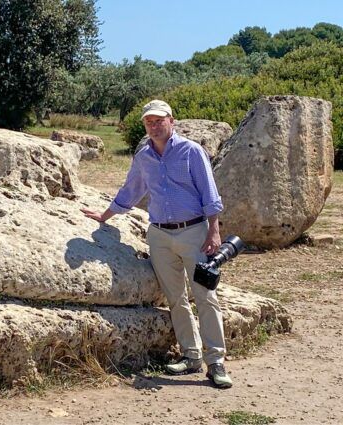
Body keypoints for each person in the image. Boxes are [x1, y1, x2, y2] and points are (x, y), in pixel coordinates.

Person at [81, 99, 232, 389]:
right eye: (149, 121)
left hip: (194, 232)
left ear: (171, 121)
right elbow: (131, 190)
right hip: (159, 236)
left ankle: (216, 362)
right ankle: (191, 356)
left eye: (159, 120)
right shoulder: (143, 156)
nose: (154, 125)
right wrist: (105, 215)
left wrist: (214, 231)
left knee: (205, 296)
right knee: (176, 299)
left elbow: (210, 194)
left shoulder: (191, 151)